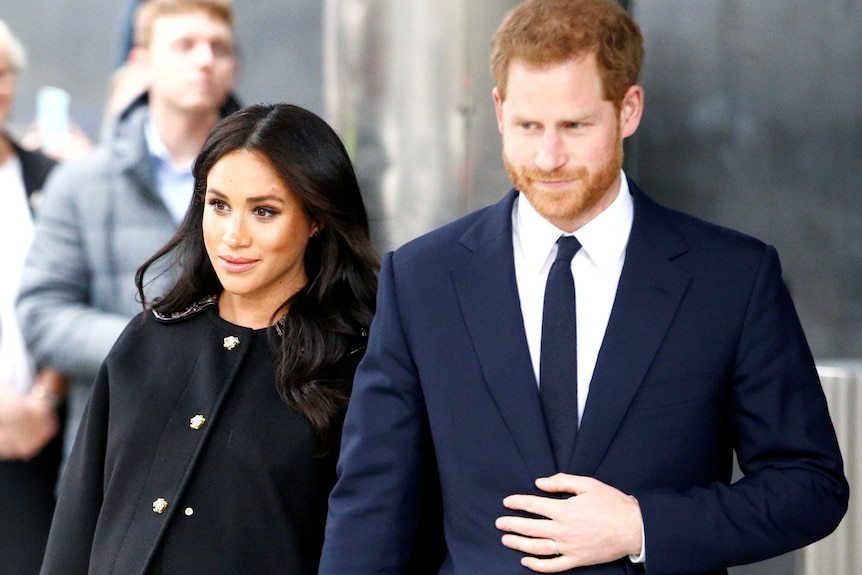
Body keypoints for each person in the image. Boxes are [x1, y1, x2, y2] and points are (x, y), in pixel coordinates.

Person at [319, 1, 849, 573]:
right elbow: (372, 506)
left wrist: (641, 526)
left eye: (575, 125)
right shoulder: (422, 278)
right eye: (528, 126)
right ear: (498, 112)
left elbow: (809, 485)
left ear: (628, 109)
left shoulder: (733, 279)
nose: (549, 157)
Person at [39, 103, 379, 574]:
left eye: (264, 211)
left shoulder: (359, 365)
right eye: (218, 205)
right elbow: (77, 521)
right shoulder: (148, 338)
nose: (232, 236)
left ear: (317, 218)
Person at [17, 0, 240, 469]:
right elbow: (42, 314)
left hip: (238, 443)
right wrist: (156, 342)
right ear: (142, 65)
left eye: (218, 46)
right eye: (184, 45)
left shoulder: (272, 181)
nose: (205, 59)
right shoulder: (80, 184)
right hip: (116, 452)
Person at [0, 18, 68, 575]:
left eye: (0, 73)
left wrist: (44, 400)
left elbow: (70, 291)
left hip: (34, 436)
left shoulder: (52, 180)